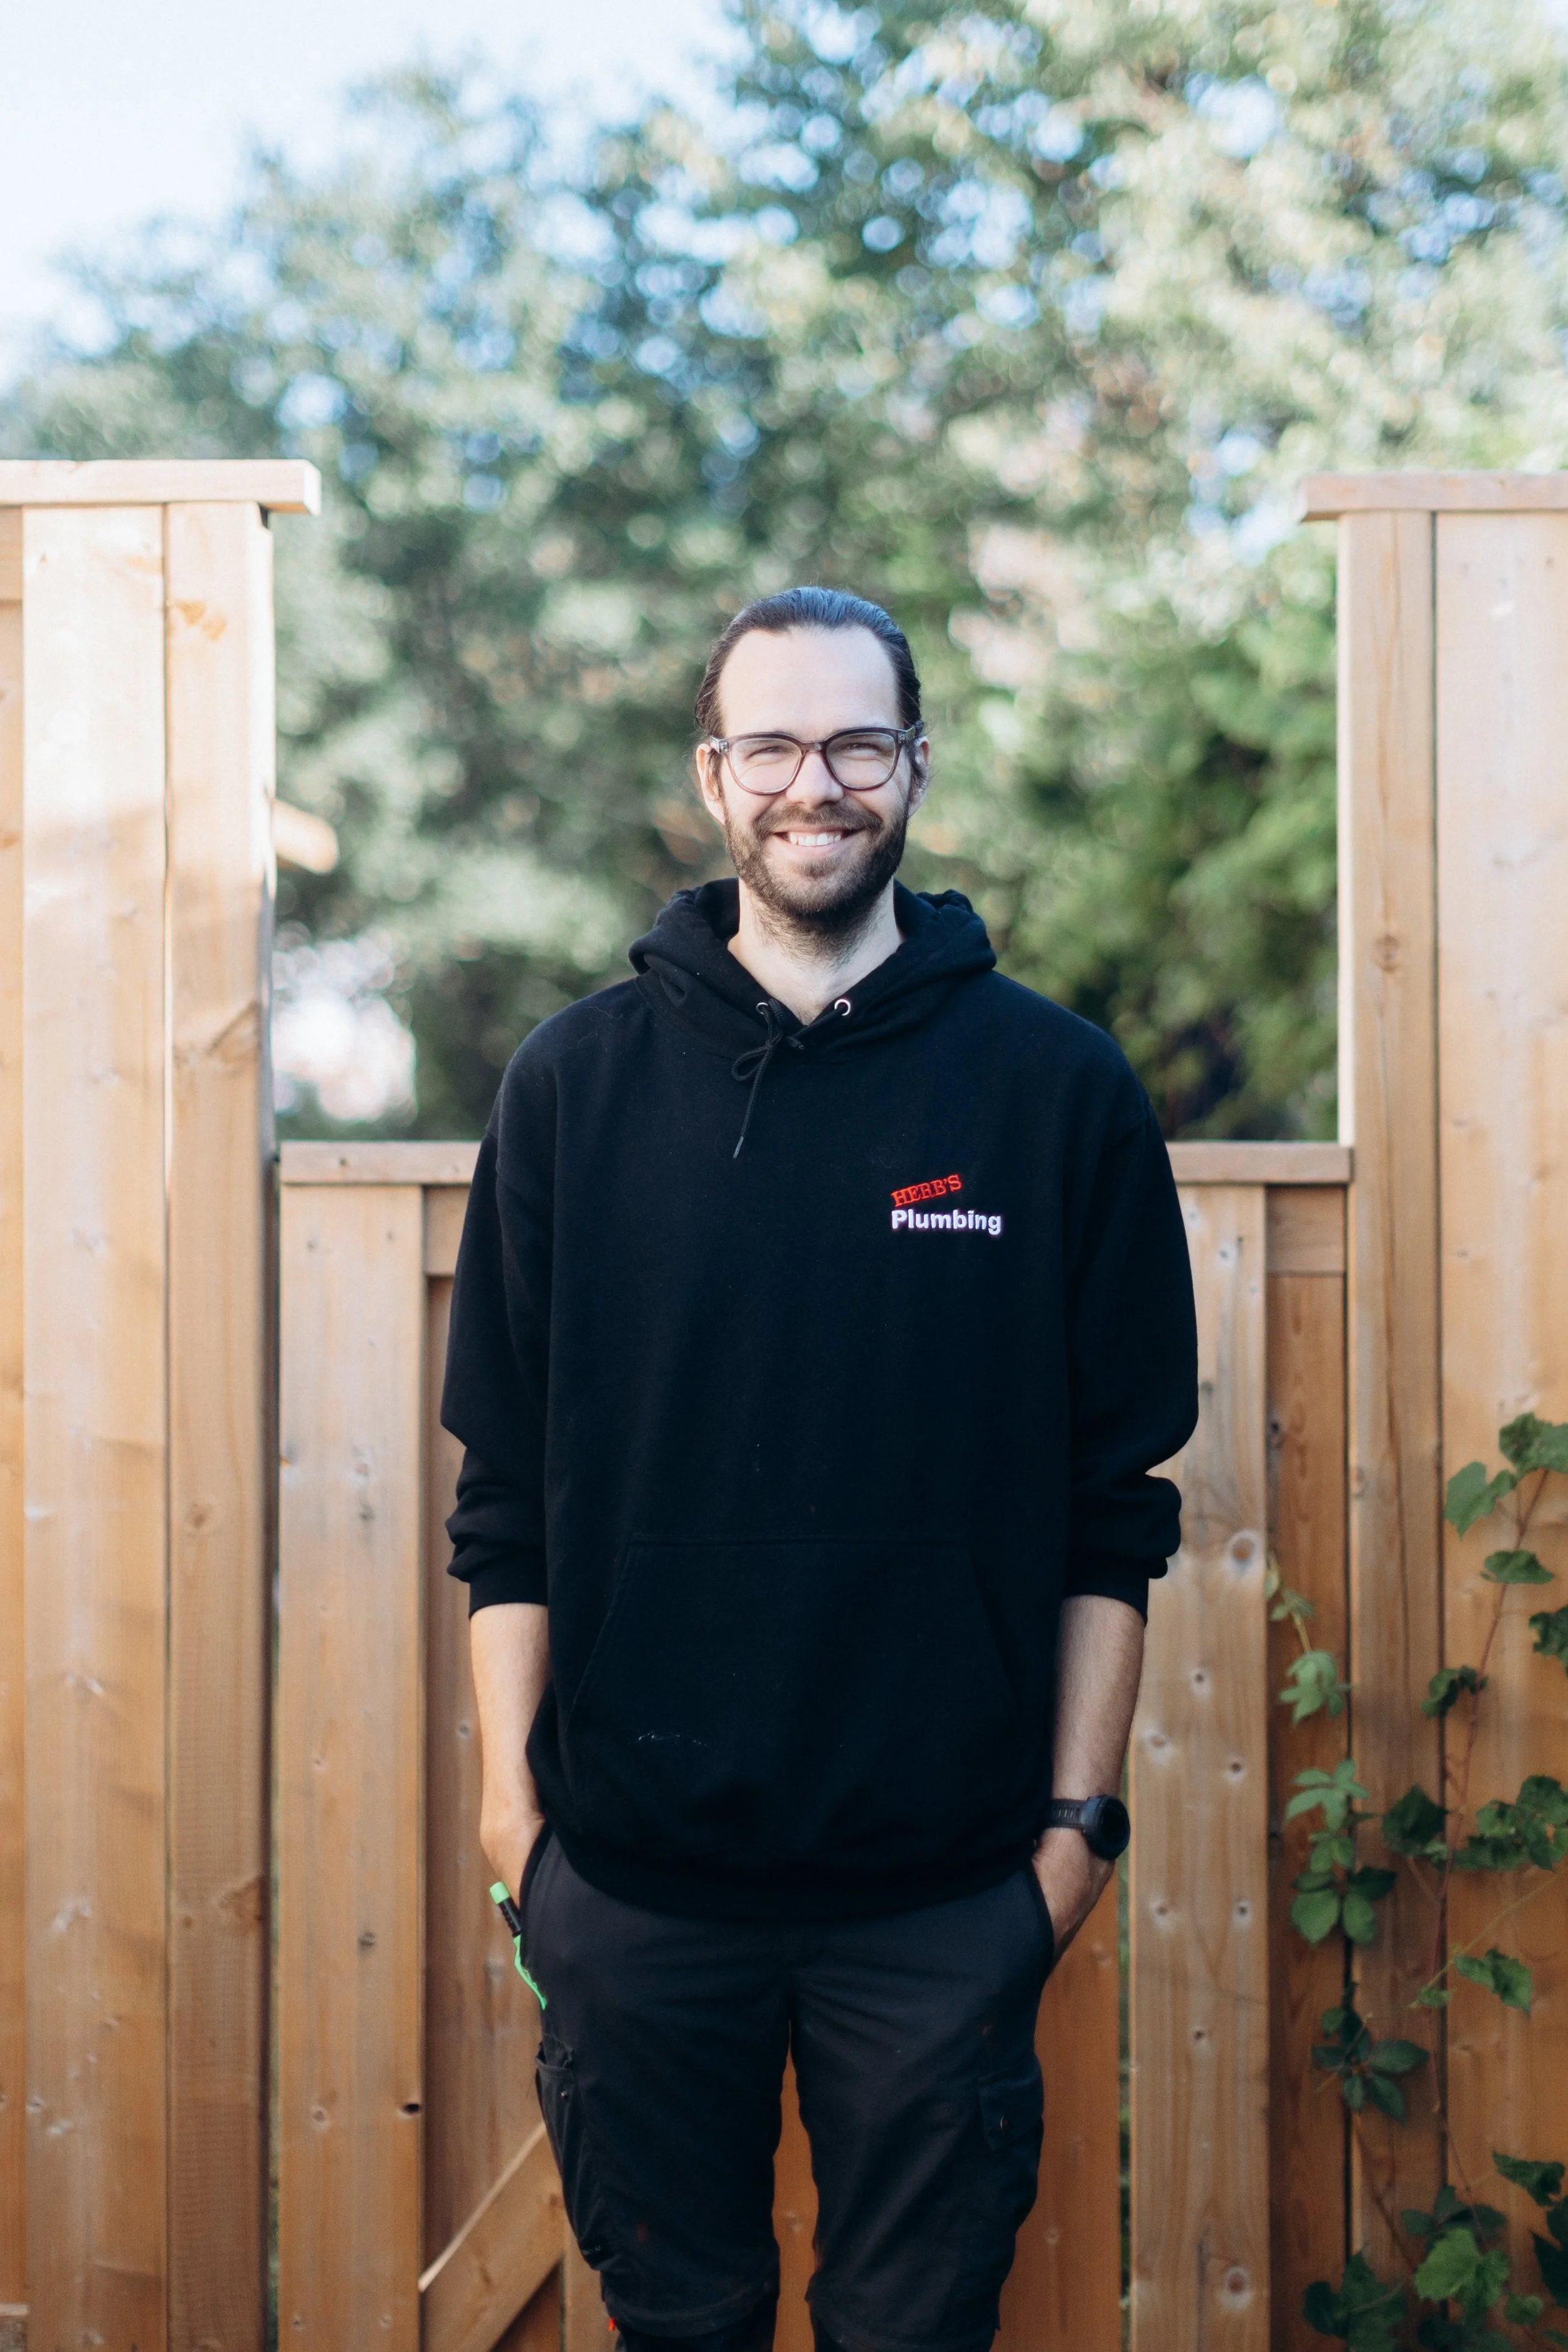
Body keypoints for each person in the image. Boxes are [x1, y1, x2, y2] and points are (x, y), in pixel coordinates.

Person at [441, 586, 1198, 2352]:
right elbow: (506, 1504)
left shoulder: (1055, 1091)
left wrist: (1073, 1837)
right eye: (771, 742)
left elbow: (1116, 1506)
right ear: (714, 775)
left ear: (914, 766)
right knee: (676, 2324)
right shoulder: (570, 1087)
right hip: (633, 1896)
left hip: (942, 1904)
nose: (816, 782)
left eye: (858, 741)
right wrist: (514, 1823)